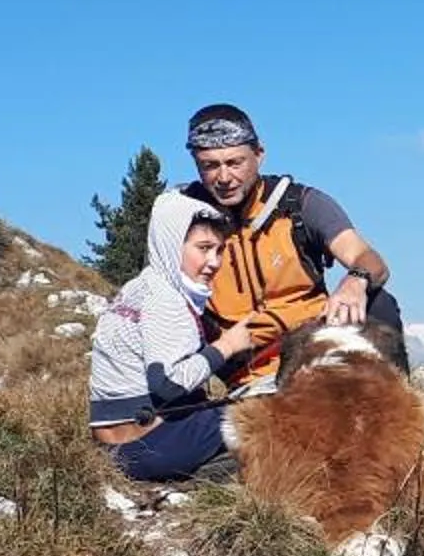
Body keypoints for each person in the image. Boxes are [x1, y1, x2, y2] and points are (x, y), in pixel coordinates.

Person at [179, 102, 405, 384]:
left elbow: (369, 260)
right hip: (237, 360)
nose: (224, 178)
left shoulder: (300, 205)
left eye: (235, 163)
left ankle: (394, 414)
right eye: (209, 166)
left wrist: (356, 280)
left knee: (378, 303)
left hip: (312, 345)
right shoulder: (180, 216)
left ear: (259, 155)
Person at [88, 193, 260, 480]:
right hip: (151, 447)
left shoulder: (138, 287)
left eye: (219, 251)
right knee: (268, 413)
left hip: (114, 448)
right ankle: (208, 474)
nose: (214, 262)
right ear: (171, 245)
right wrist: (228, 345)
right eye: (203, 248)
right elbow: (168, 384)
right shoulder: (167, 301)